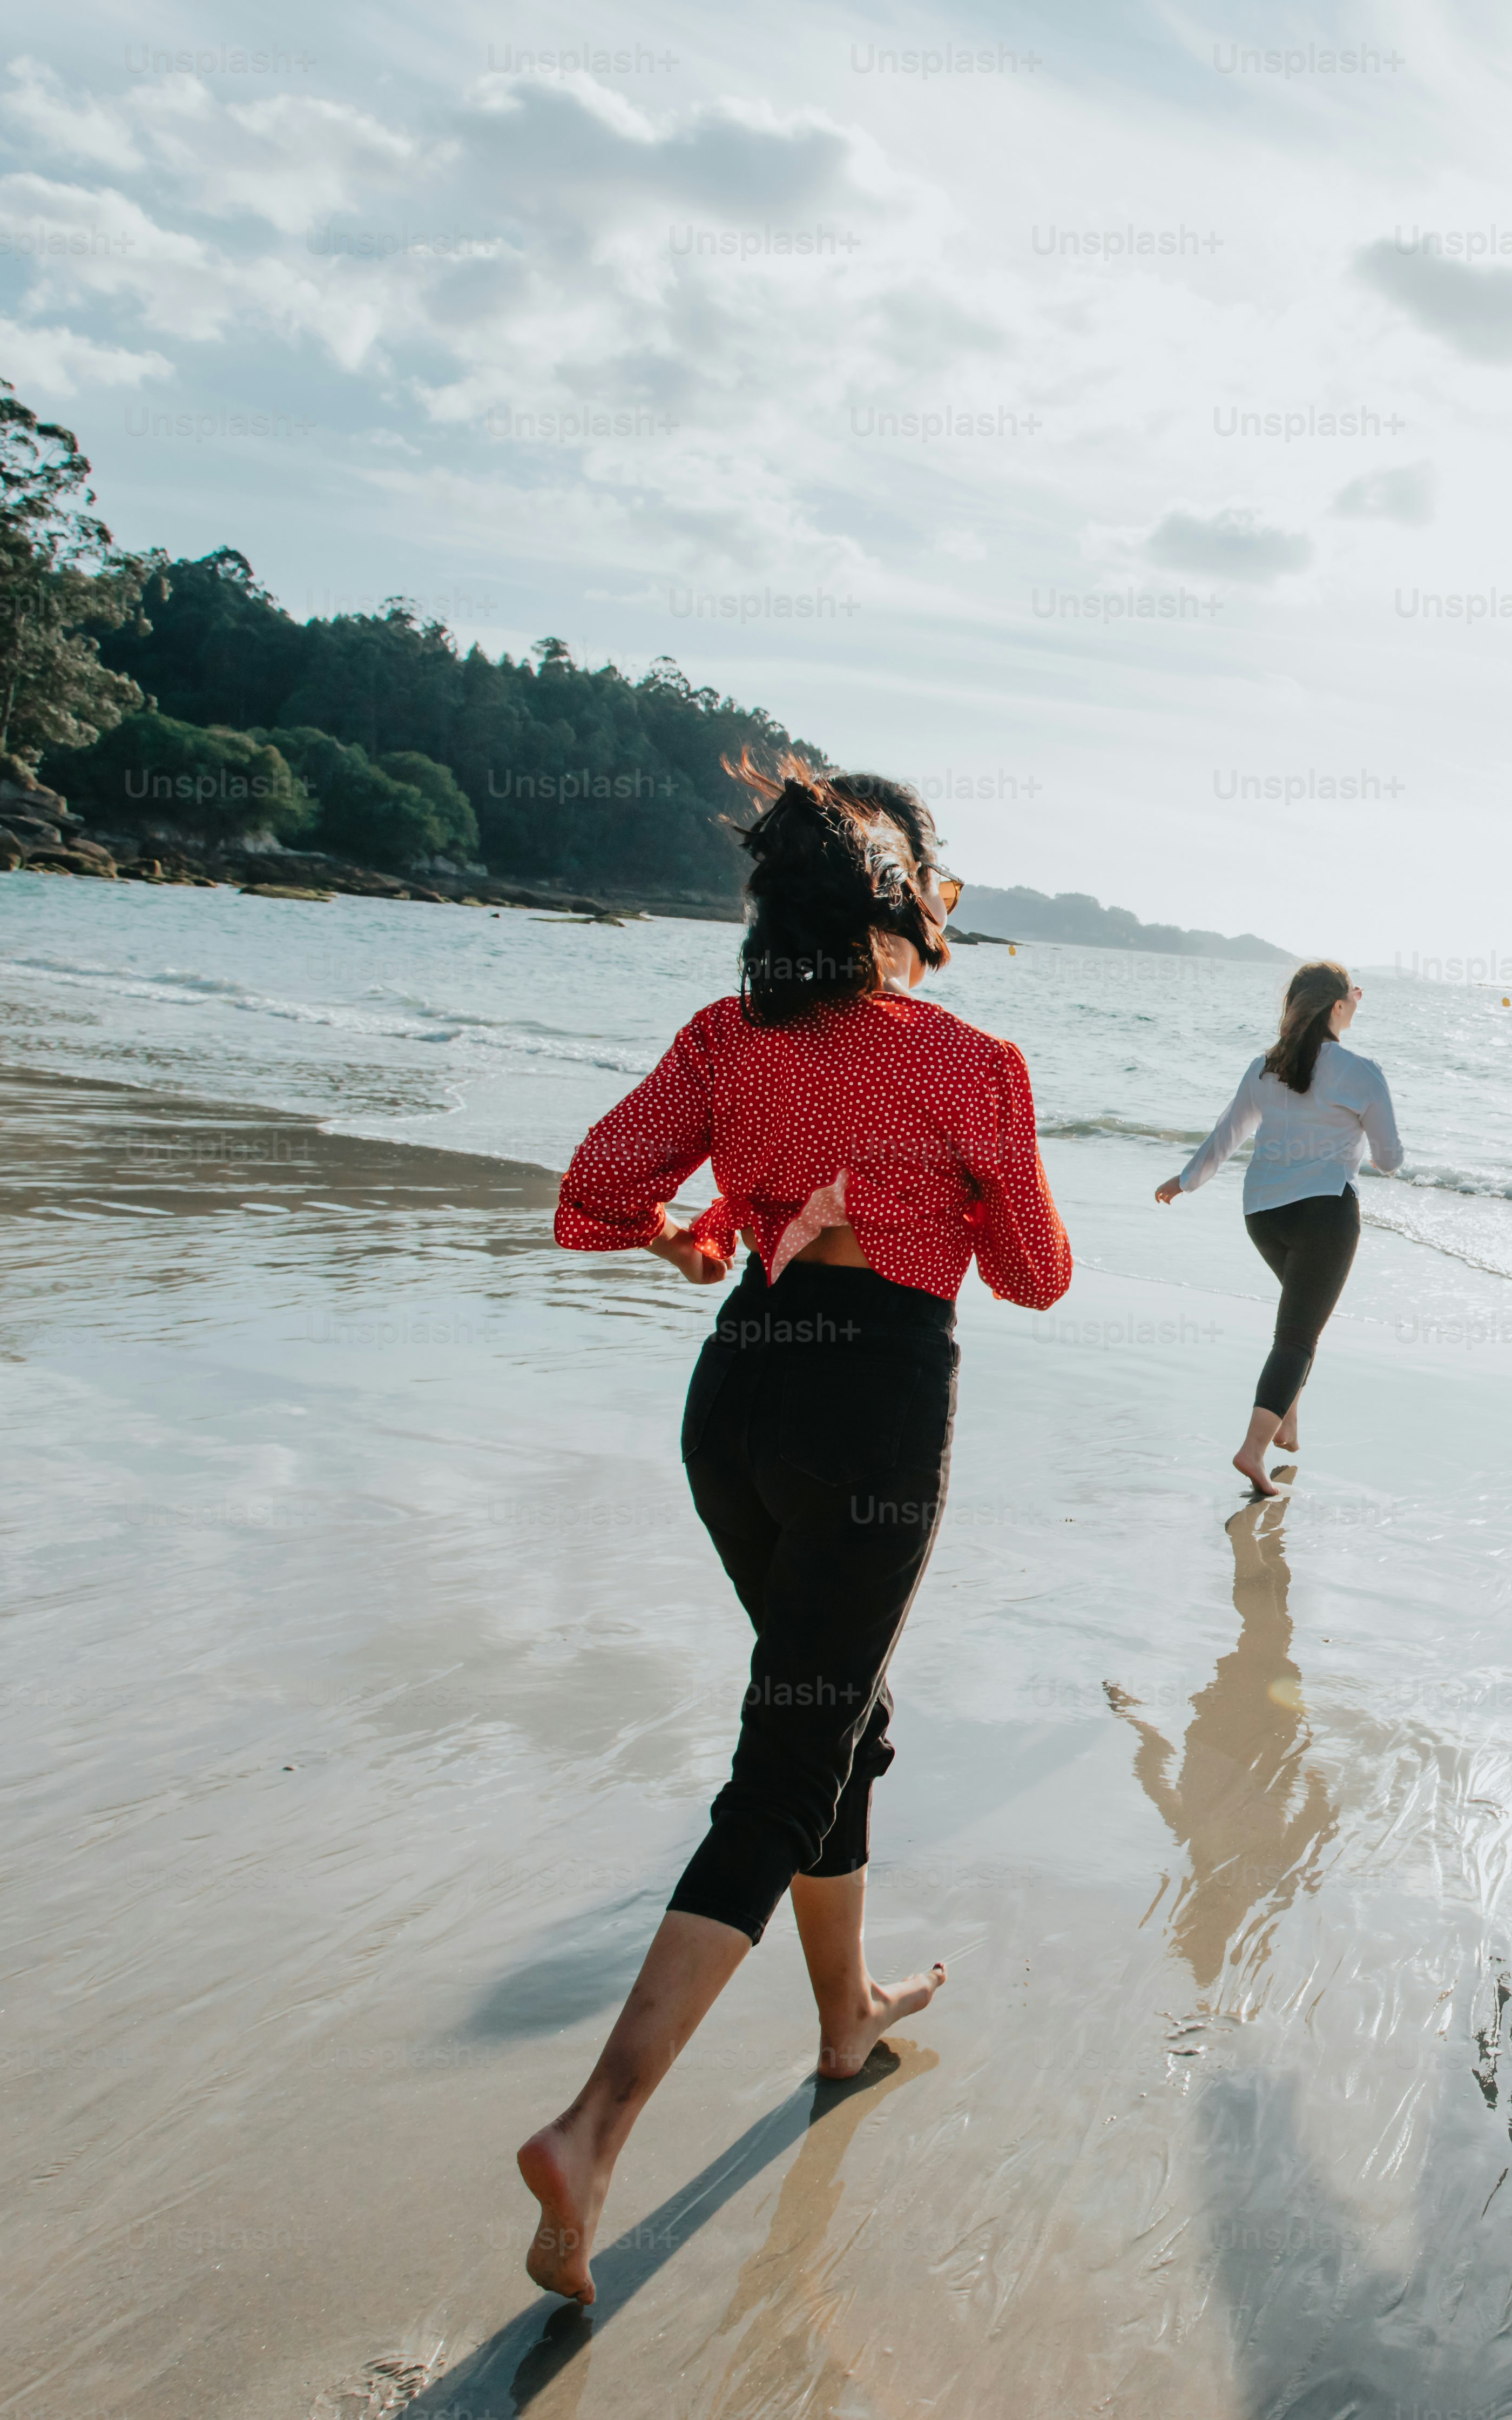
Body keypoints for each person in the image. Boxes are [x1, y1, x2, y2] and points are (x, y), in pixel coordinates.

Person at [517, 752, 1071, 2305]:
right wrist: (936, 1204)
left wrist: (711, 1241)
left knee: (838, 1718)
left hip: (738, 1402)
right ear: (912, 901)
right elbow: (1036, 1276)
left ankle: (845, 2020)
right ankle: (594, 2125)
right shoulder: (972, 1063)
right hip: (873, 1412)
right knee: (791, 1755)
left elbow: (588, 1198)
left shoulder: (723, 1036)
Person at [1155, 962, 1402, 1496]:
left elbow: (1226, 1136)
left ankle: (1287, 1419)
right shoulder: (1361, 1072)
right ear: (1338, 1006)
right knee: (1297, 1336)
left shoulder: (1267, 1067)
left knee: (1298, 1322)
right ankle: (1253, 1450)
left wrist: (1185, 1180)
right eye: (1354, 995)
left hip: (1263, 1215)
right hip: (1325, 1216)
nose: (1359, 1001)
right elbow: (1388, 1159)